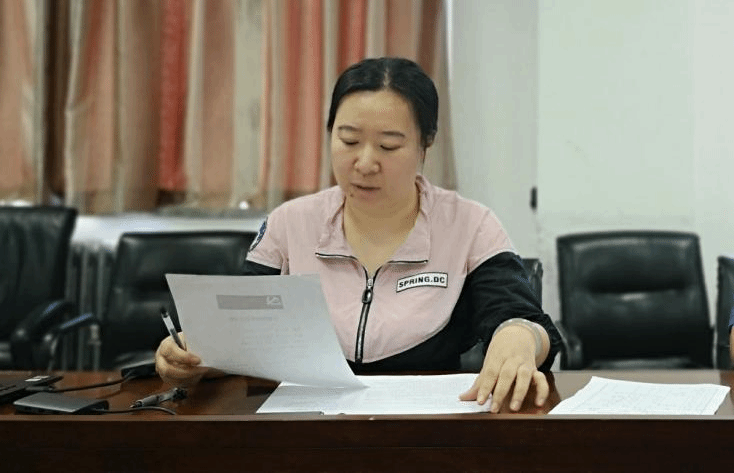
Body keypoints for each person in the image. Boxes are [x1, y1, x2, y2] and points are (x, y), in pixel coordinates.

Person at [156, 57, 563, 413]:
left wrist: (520, 336)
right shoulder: (290, 223)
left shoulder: (471, 224)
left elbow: (525, 320)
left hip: (428, 429)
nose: (365, 163)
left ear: (426, 144)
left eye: (389, 146)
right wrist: (193, 356)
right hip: (301, 430)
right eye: (348, 140)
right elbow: (238, 334)